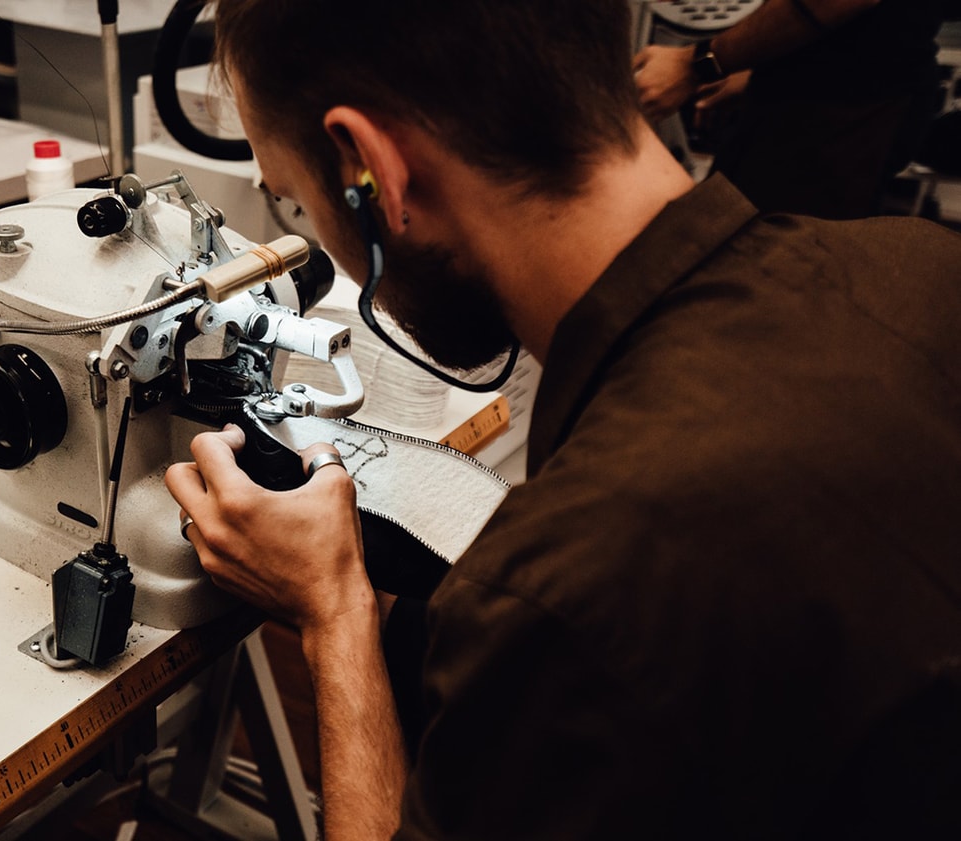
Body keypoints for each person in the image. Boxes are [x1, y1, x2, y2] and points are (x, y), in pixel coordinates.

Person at [164, 1, 961, 838]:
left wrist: (335, 612)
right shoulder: (925, 270)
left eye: (295, 200)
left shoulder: (575, 576)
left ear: (372, 172)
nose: (310, 227)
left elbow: (588, 611)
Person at [633, 0, 951, 219]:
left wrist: (699, 64)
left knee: (771, 268)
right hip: (822, 92)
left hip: (846, 109)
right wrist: (762, 66)